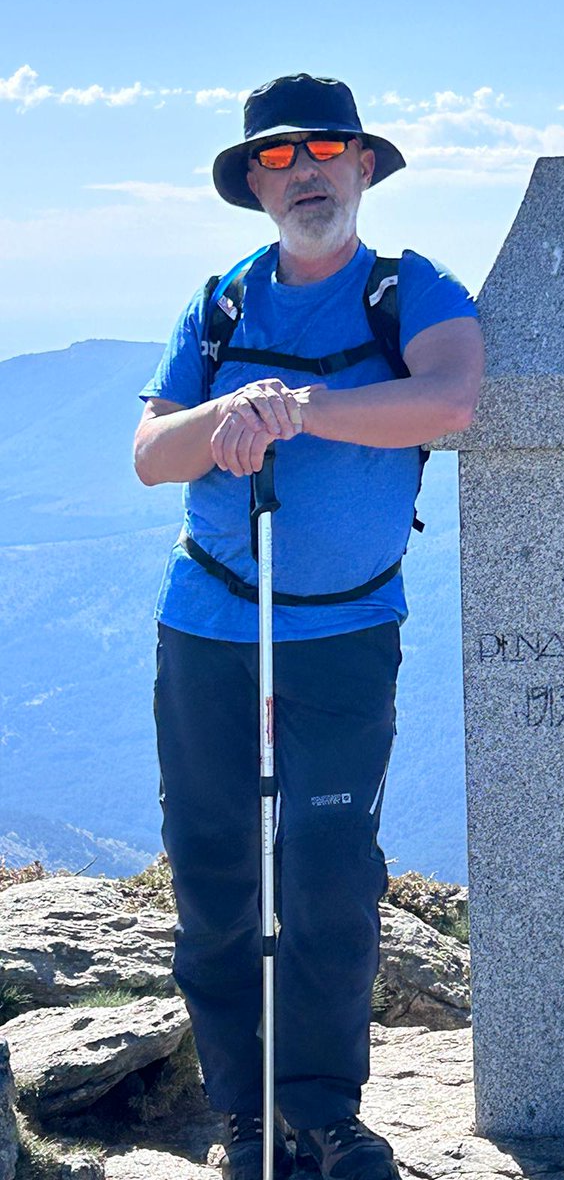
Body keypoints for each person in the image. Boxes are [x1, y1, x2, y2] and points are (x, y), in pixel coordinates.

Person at [133, 72, 484, 1180]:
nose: (305, 173)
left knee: (330, 871)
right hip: (209, 627)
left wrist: (303, 407)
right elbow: (153, 455)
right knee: (216, 871)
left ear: (366, 165)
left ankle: (325, 1110)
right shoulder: (222, 302)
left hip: (343, 632)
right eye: (276, 160)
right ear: (254, 185)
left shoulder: (406, 289)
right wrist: (228, 413)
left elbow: (452, 400)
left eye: (326, 150)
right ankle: (246, 1115)